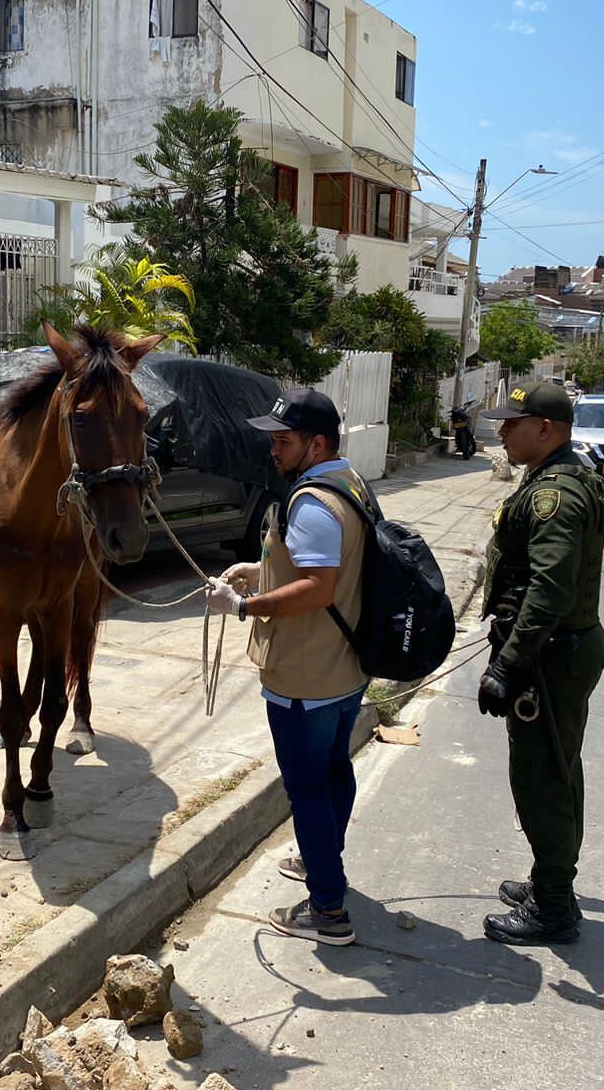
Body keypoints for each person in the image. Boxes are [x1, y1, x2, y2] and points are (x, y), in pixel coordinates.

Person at [204, 388, 369, 947]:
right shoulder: (350, 483)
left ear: (315, 443)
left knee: (307, 790)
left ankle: (328, 909)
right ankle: (324, 862)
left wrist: (243, 606)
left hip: (305, 675)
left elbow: (318, 587)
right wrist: (259, 568)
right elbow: (321, 566)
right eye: (272, 439)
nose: (273, 450)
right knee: (333, 774)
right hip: (343, 670)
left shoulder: (312, 502)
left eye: (284, 441)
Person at [477, 380, 604, 945]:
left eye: (514, 423)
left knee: (541, 780)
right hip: (560, 652)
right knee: (560, 768)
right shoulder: (562, 475)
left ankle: (554, 907)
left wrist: (507, 665)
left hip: (548, 659)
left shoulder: (556, 494)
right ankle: (550, 880)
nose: (503, 432)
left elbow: (550, 592)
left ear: (546, 430)